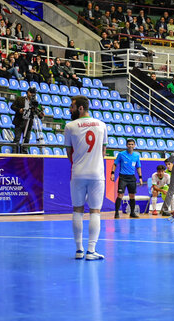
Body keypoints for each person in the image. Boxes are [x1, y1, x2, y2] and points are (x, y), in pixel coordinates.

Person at [65, 96, 108, 261]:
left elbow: (69, 153)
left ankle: (79, 250)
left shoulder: (70, 126)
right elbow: (103, 152)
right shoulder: (102, 125)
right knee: (95, 211)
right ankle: (91, 250)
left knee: (77, 210)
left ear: (80, 108)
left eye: (72, 107)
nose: (70, 110)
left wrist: (78, 163)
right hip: (97, 173)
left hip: (77, 173)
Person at [111, 138, 143, 219]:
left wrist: (140, 177)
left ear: (134, 145)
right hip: (123, 177)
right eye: (129, 144)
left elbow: (138, 167)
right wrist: (112, 173)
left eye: (132, 144)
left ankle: (132, 213)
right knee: (120, 195)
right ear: (126, 145)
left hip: (132, 178)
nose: (130, 146)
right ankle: (117, 212)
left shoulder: (136, 155)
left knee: (132, 196)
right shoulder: (121, 154)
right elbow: (115, 164)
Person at [11, 87, 44, 153]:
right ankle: (15, 154)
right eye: (31, 92)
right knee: (17, 138)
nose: (32, 94)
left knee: (27, 140)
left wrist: (40, 115)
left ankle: (24, 154)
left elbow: (36, 111)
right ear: (27, 92)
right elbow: (12, 106)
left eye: (34, 93)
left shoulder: (34, 102)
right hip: (19, 121)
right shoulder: (20, 99)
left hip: (28, 123)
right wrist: (19, 110)